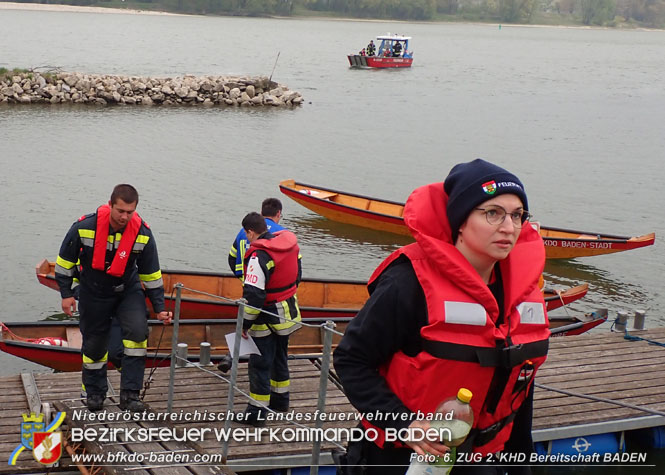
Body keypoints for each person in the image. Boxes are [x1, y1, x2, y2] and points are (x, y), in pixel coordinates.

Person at [333, 159, 550, 474]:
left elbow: (519, 387)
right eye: (493, 213)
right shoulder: (409, 283)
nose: (509, 227)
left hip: (483, 460)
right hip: (401, 459)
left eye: (517, 216)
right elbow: (352, 360)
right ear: (460, 221)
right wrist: (403, 424)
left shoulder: (525, 291)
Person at [55, 184, 172, 412]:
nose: (124, 216)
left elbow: (151, 274)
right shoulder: (84, 227)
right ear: (110, 205)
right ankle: (95, 393)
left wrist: (159, 307)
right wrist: (66, 294)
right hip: (93, 292)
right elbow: (64, 263)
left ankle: (130, 395)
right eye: (120, 211)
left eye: (130, 212)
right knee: (95, 345)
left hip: (127, 290)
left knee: (138, 334)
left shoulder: (143, 234)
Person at [238, 212, 302, 426]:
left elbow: (254, 295)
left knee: (260, 364)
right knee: (279, 357)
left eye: (247, 235)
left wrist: (244, 325)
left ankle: (256, 413)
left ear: (250, 231)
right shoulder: (287, 245)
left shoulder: (258, 256)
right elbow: (297, 275)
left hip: (264, 317)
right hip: (287, 314)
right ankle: (280, 401)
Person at [228, 198, 285, 279]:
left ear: (261, 213)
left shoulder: (244, 231)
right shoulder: (283, 233)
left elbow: (232, 258)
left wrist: (244, 280)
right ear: (278, 213)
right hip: (273, 286)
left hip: (247, 282)